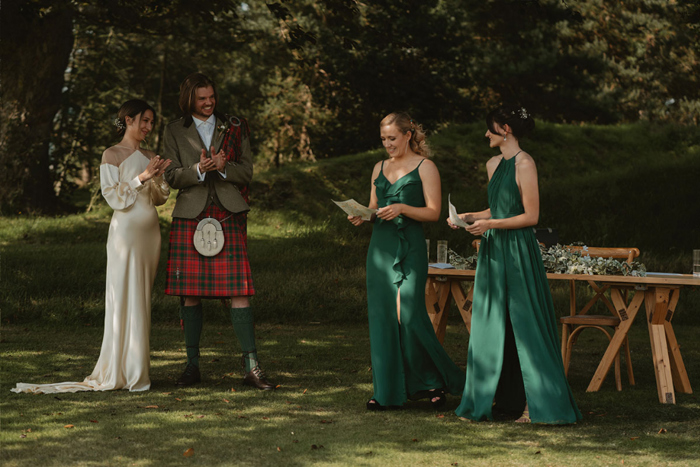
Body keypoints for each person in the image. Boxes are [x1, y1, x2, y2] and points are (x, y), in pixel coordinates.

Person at [12, 99, 170, 394]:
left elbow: (160, 198)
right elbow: (113, 197)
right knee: (124, 295)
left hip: (150, 234)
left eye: (151, 122)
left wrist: (158, 177)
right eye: (144, 121)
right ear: (128, 120)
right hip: (124, 234)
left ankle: (138, 370)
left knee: (142, 298)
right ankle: (121, 371)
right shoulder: (111, 154)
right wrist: (141, 177)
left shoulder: (150, 155)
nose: (149, 126)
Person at [449, 104, 581, 424]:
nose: (486, 134)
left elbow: (530, 216)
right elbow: (496, 208)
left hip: (519, 251)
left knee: (526, 324)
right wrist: (468, 217)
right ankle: (494, 399)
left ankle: (535, 407)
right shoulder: (493, 164)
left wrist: (490, 225)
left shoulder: (525, 163)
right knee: (491, 321)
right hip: (495, 252)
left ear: (505, 130)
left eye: (490, 128)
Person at [163, 72, 274, 390]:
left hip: (228, 212)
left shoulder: (235, 126)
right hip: (190, 214)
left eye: (212, 96)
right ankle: (191, 366)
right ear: (189, 100)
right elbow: (170, 176)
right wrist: (199, 169)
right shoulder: (174, 130)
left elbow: (247, 172)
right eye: (202, 98)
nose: (209, 102)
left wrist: (223, 167)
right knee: (191, 294)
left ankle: (252, 367)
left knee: (240, 290)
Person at [348, 112, 465, 410]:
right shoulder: (379, 166)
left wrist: (402, 207)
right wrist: (363, 215)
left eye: (392, 138)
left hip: (410, 246)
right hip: (380, 249)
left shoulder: (426, 167)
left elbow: (433, 212)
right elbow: (375, 208)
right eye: (383, 139)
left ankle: (439, 379)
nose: (387, 144)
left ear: (408, 135)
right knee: (383, 318)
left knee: (410, 315)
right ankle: (386, 392)